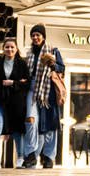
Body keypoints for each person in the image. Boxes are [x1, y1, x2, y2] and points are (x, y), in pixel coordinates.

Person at [0, 40, 30, 168]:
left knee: (17, 130)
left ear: (16, 49)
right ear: (3, 49)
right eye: (7, 47)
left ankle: (20, 157)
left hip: (16, 102)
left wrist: (13, 83)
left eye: (12, 47)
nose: (9, 49)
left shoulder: (22, 64)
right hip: (0, 100)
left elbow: (28, 83)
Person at [24, 25, 65, 168]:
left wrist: (53, 64)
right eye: (33, 35)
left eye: (38, 35)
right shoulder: (28, 53)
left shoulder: (53, 50)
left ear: (43, 36)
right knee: (31, 120)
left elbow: (62, 68)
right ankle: (30, 154)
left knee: (50, 125)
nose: (35, 38)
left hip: (48, 90)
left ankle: (48, 157)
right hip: (32, 89)